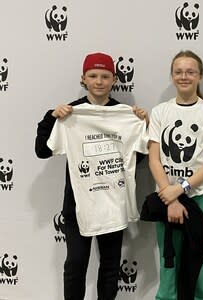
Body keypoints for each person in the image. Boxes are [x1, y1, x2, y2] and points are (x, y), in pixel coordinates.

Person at [35, 52, 148, 300]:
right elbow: (42, 151)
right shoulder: (70, 113)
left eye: (105, 76)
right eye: (93, 75)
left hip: (113, 201)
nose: (99, 81)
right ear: (83, 78)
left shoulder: (125, 114)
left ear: (114, 79)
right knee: (75, 264)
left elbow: (136, 159)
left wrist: (141, 125)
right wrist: (50, 117)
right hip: (77, 204)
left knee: (110, 266)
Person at [147, 50, 203, 300]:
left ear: (200, 76)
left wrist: (180, 187)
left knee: (198, 259)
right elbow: (154, 158)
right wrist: (170, 197)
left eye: (190, 71)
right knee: (169, 259)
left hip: (200, 195)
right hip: (165, 196)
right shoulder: (160, 112)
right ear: (172, 76)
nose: (184, 76)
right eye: (179, 71)